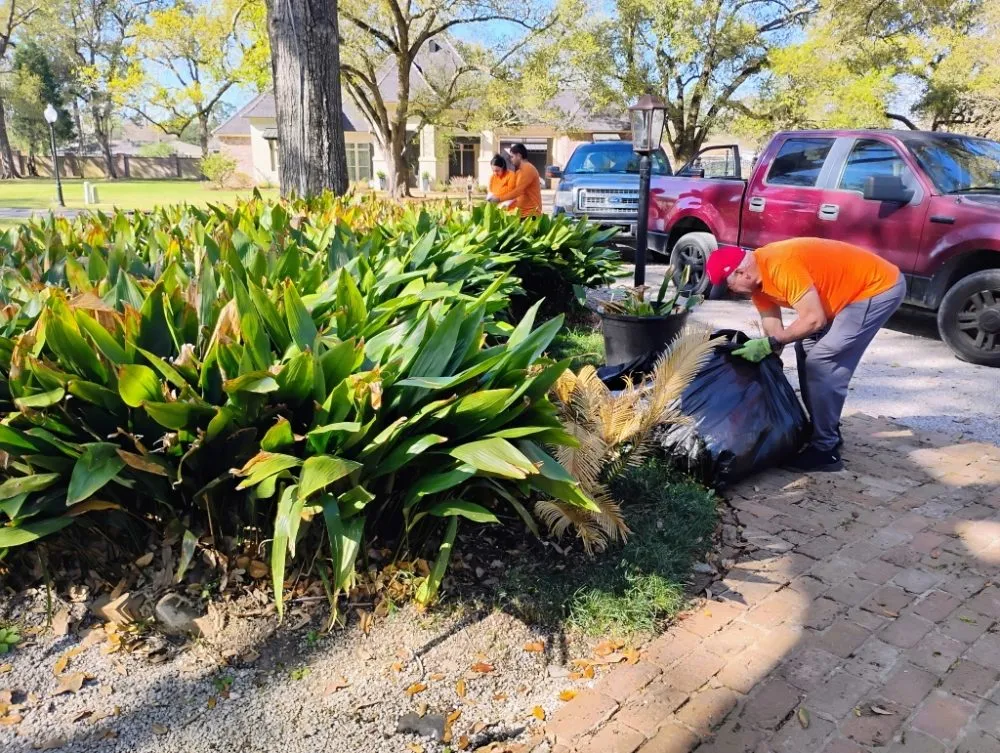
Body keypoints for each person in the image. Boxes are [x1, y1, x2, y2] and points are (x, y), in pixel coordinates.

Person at [706, 238, 906, 472]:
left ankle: (825, 451)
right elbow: (775, 333)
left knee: (823, 360)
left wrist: (770, 344)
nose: (730, 292)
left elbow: (814, 319)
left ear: (742, 273)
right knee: (805, 348)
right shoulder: (758, 287)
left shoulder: (780, 266)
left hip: (876, 288)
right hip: (843, 295)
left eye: (728, 286)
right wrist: (765, 360)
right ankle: (825, 428)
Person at [488, 143, 542, 217]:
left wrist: (499, 199)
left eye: (512, 156)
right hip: (522, 214)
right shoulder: (519, 172)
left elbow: (518, 191)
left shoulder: (528, 169)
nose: (511, 159)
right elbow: (513, 192)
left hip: (531, 214)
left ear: (519, 156)